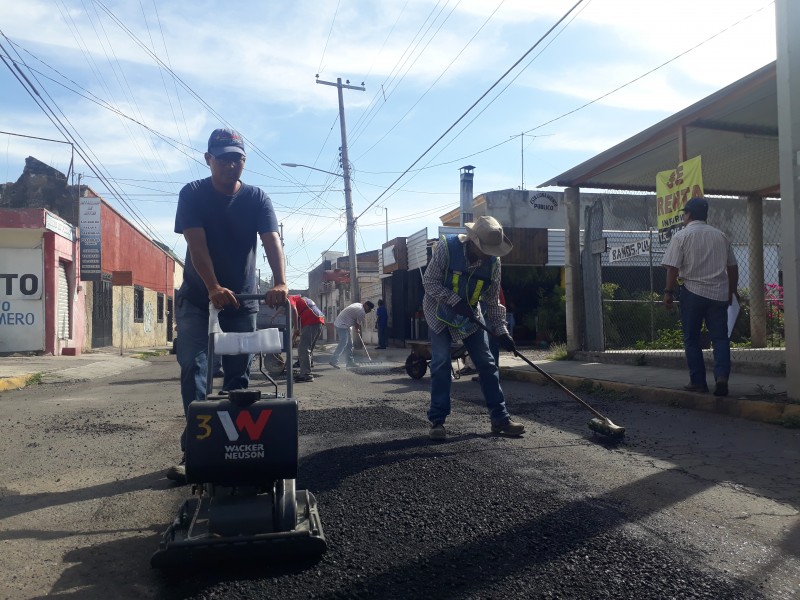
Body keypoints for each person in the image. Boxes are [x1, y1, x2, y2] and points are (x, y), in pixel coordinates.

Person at [168, 127, 287, 483]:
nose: (230, 165)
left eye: (237, 158)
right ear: (209, 160)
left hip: (243, 302)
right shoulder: (192, 194)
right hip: (198, 299)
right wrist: (213, 287)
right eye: (223, 158)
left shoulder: (257, 198)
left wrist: (280, 282)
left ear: (244, 161)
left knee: (238, 377)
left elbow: (271, 241)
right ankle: (196, 453)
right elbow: (196, 244)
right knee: (195, 369)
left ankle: (235, 451)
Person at [422, 215, 525, 440]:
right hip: (438, 312)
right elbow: (429, 282)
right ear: (472, 241)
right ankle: (437, 421)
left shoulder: (493, 263)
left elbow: (492, 301)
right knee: (440, 363)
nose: (489, 253)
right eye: (485, 248)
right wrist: (453, 300)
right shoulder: (446, 249)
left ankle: (500, 418)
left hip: (470, 317)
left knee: (487, 364)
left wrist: (502, 331)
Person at [662, 197, 738, 397]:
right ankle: (721, 377)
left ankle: (698, 382)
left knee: (692, 339)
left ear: (688, 214)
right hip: (719, 294)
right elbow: (733, 267)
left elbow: (672, 268)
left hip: (692, 293)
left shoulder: (681, 236)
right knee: (720, 338)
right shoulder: (721, 236)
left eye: (684, 214)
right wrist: (731, 292)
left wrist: (668, 292)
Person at [289, 295, 325, 382]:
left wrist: (296, 329)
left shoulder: (290, 298)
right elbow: (293, 316)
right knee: (308, 347)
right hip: (318, 320)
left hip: (312, 320)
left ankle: (306, 375)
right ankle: (305, 364)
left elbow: (294, 311)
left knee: (303, 348)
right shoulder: (300, 300)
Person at [329, 301, 374, 368]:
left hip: (343, 324)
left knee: (349, 344)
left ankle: (349, 362)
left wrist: (357, 328)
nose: (369, 311)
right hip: (342, 325)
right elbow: (357, 325)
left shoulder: (358, 304)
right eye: (369, 309)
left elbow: (355, 321)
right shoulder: (361, 311)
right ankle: (333, 360)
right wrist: (357, 330)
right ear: (366, 306)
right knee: (343, 342)